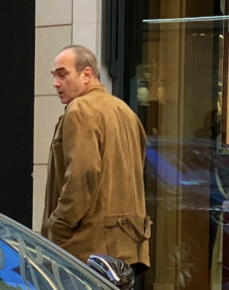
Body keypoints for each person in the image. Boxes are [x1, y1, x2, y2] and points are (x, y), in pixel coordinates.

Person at [41, 45, 150, 273]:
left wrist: (58, 226)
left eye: (63, 74)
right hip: (127, 249)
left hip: (88, 251)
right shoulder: (127, 113)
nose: (56, 83)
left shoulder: (80, 109)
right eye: (54, 76)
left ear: (87, 74)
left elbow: (83, 175)